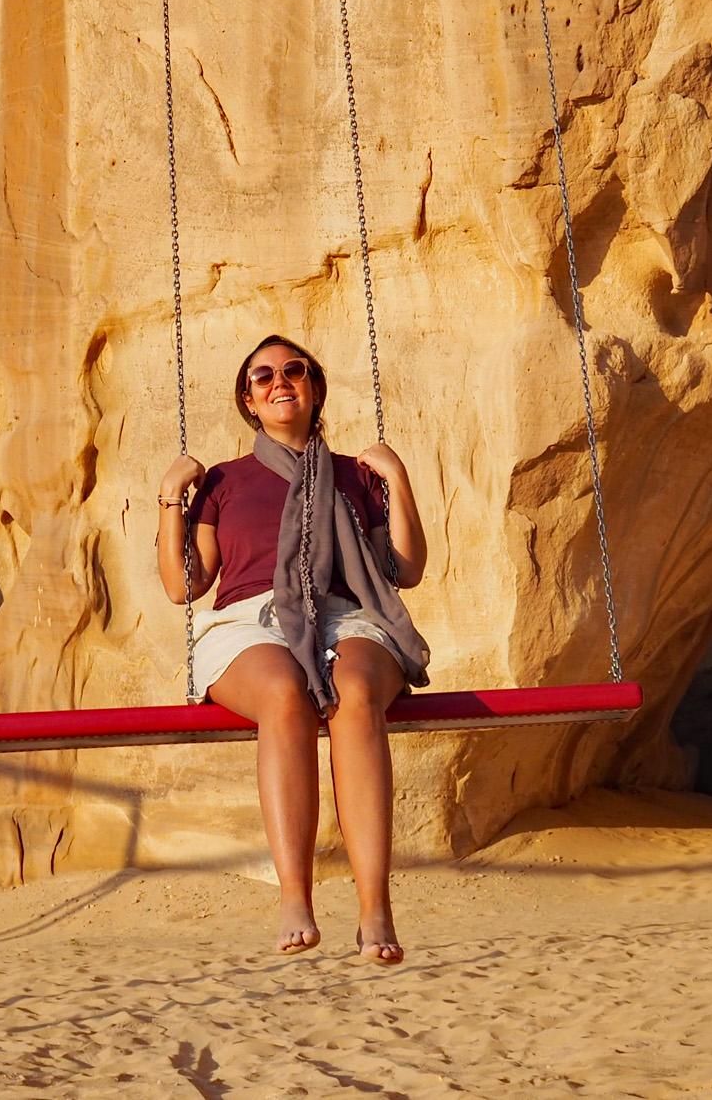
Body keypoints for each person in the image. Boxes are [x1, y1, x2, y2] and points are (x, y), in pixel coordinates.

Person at [158, 334, 431, 962]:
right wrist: (173, 496)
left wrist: (398, 477)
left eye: (293, 370)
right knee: (285, 694)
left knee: (356, 695)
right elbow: (184, 585)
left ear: (314, 387)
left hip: (346, 614)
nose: (279, 382)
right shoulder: (224, 480)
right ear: (249, 400)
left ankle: (375, 909)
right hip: (250, 620)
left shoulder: (354, 474)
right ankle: (295, 899)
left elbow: (406, 568)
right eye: (262, 377)